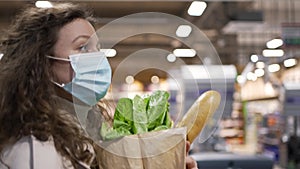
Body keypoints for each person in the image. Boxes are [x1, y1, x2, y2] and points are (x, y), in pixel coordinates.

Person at [0, 2, 197, 169]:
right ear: (43, 63)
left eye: (98, 48)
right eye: (83, 47)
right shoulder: (34, 146)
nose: (97, 57)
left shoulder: (81, 130)